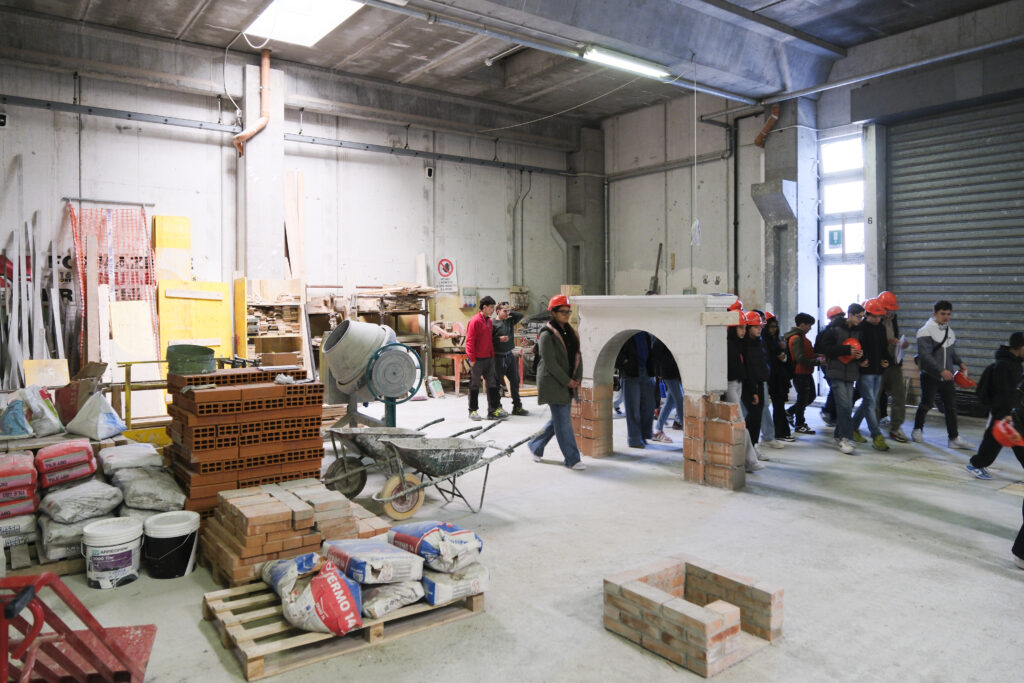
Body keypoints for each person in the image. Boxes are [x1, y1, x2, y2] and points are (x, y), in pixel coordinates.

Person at [528, 295, 586, 470]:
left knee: (559, 420)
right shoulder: (546, 334)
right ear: (553, 313)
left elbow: (577, 355)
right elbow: (550, 363)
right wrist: (567, 381)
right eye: (563, 312)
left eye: (568, 312)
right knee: (564, 422)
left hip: (567, 382)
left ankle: (535, 444)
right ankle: (572, 459)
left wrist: (577, 378)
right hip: (553, 382)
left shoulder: (570, 332)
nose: (566, 315)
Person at [912, 300, 973, 450]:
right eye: (942, 314)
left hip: (948, 377)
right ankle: (917, 429)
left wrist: (960, 363)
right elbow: (925, 356)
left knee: (951, 407)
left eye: (948, 314)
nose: (946, 317)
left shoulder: (949, 331)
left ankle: (953, 438)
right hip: (930, 376)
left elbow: (951, 352)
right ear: (934, 313)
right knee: (926, 404)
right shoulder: (925, 331)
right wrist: (941, 370)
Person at [966, 332, 1024, 479]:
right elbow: (1002, 391)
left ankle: (977, 463)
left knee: (1016, 440)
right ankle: (976, 464)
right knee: (995, 440)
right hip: (1003, 409)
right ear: (1020, 347)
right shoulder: (1004, 365)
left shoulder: (1016, 363)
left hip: (1012, 410)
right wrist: (1006, 413)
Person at [817, 303, 865, 454]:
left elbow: (861, 348)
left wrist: (860, 355)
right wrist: (845, 350)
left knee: (847, 406)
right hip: (835, 372)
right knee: (844, 405)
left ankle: (839, 435)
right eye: (858, 317)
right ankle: (845, 438)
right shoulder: (834, 329)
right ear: (850, 314)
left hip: (851, 373)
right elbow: (825, 348)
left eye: (862, 317)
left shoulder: (859, 331)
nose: (860, 320)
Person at [852, 299, 892, 451]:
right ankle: (876, 435)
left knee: (869, 402)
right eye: (874, 316)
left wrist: (886, 360)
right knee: (870, 403)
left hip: (878, 371)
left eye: (879, 316)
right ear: (866, 315)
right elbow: (856, 348)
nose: (877, 319)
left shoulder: (881, 328)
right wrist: (860, 360)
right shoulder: (860, 328)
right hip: (865, 372)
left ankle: (852, 427)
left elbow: (883, 348)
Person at [725, 314, 763, 472]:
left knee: (740, 423)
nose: (743, 331)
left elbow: (746, 368)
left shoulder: (740, 344)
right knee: (740, 423)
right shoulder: (727, 344)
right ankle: (750, 460)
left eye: (745, 328)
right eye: (740, 328)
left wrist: (752, 390)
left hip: (739, 384)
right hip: (729, 385)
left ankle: (747, 459)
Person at [465, 296, 508, 421]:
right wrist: (472, 358)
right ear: (484, 307)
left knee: (492, 384)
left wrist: (492, 355)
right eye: (491, 307)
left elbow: (489, 340)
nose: (493, 310)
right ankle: (473, 411)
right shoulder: (475, 321)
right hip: (477, 360)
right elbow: (469, 341)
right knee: (474, 385)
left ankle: (493, 411)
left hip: (489, 359)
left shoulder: (489, 321)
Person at [877, 291, 910, 442]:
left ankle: (896, 427)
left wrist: (901, 344)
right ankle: (873, 427)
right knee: (874, 398)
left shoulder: (893, 320)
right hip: (878, 366)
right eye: (886, 309)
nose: (888, 312)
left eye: (891, 309)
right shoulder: (873, 321)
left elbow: (895, 337)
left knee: (899, 396)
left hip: (894, 363)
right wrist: (886, 344)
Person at [616, 332, 656, 448]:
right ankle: (634, 439)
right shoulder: (626, 333)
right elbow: (615, 350)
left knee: (649, 406)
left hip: (645, 372)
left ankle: (644, 435)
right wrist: (625, 361)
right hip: (630, 374)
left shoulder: (645, 334)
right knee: (633, 409)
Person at [742, 311, 771, 458]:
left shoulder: (759, 342)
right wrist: (753, 389)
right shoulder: (745, 345)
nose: (759, 329)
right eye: (755, 327)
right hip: (748, 385)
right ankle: (747, 446)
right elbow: (749, 368)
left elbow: (762, 363)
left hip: (760, 383)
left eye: (760, 326)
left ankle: (753, 445)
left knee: (757, 417)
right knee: (752, 416)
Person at [761, 312, 793, 445]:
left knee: (779, 404)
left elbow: (783, 357)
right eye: (771, 327)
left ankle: (780, 432)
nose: (773, 329)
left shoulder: (776, 340)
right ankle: (776, 433)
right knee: (768, 406)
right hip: (769, 376)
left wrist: (783, 356)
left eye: (775, 327)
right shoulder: (763, 340)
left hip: (778, 376)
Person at [492, 301, 528, 416]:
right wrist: (499, 339)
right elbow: (488, 340)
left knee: (515, 381)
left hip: (509, 356)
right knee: (496, 383)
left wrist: (508, 310)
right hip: (498, 357)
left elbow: (520, 315)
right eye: (504, 311)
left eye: (508, 311)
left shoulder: (509, 321)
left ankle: (517, 407)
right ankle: (497, 407)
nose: (507, 313)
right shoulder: (492, 323)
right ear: (498, 311)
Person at [784, 313, 818, 435]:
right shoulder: (796, 338)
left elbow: (806, 354)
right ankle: (800, 424)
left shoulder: (801, 337)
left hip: (806, 371)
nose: (810, 328)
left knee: (810, 397)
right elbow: (800, 358)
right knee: (803, 399)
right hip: (800, 373)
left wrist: (817, 356)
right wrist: (817, 361)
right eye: (809, 325)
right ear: (802, 324)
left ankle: (790, 412)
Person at [815, 305, 847, 426]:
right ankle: (829, 412)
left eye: (841, 316)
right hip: (828, 365)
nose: (840, 319)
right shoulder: (826, 332)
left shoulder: (842, 331)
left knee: (836, 389)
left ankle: (832, 414)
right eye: (838, 317)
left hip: (839, 364)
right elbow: (817, 350)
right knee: (835, 388)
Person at [651, 338, 683, 443]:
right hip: (669, 372)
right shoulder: (660, 338)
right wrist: (658, 373)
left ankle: (657, 430)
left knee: (670, 402)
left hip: (674, 372)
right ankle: (687, 431)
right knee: (679, 400)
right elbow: (656, 355)